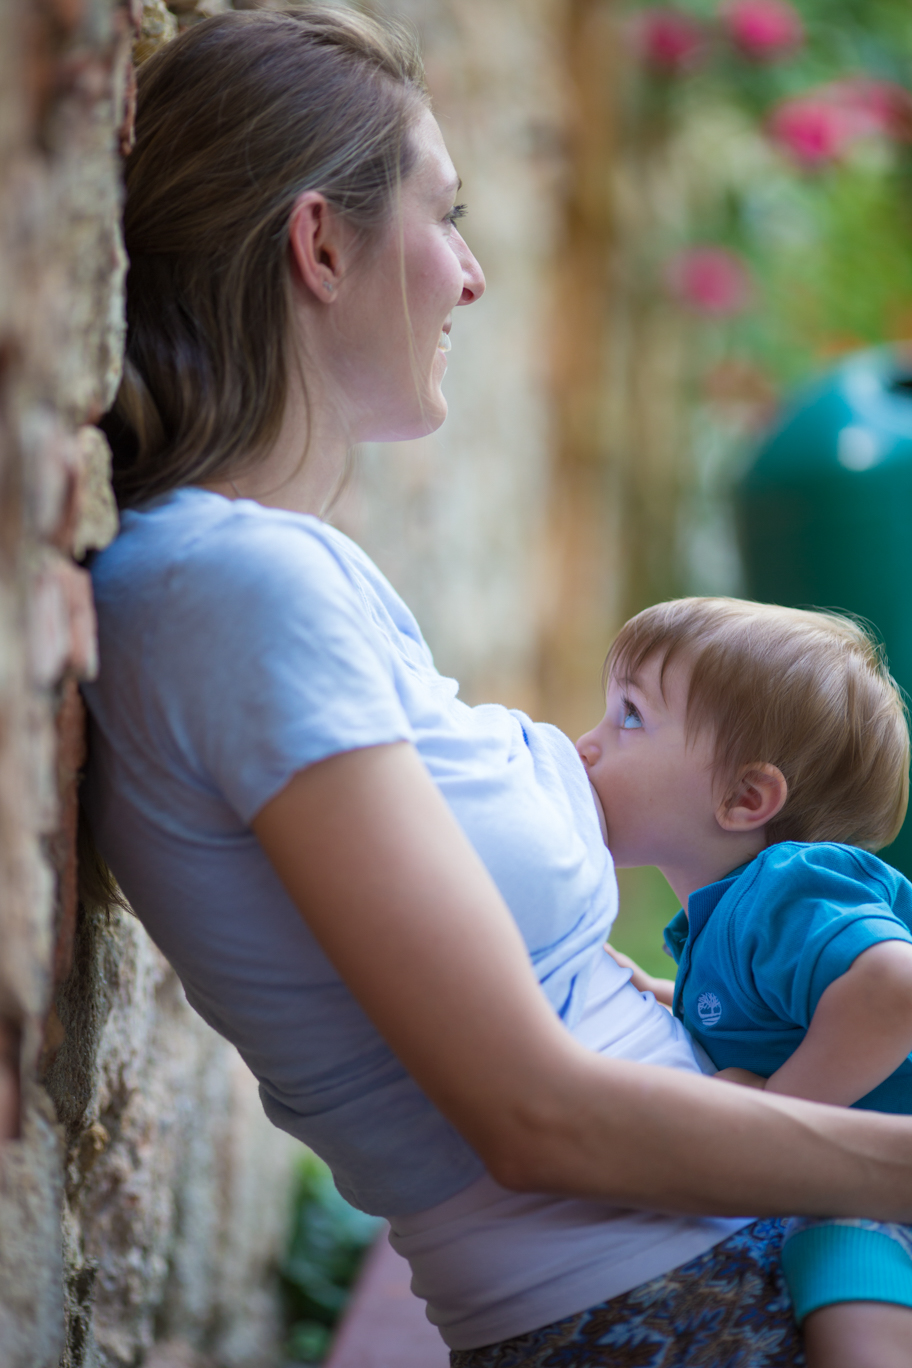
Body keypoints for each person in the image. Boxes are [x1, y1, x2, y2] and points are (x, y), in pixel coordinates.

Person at [82, 10, 912, 1366]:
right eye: (443, 215)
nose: (470, 276)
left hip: (721, 1258)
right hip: (663, 1307)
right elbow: (534, 1119)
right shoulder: (236, 595)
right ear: (322, 244)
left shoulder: (289, 580)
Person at [579, 597, 912, 1368]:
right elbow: (767, 1018)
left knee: (849, 1324)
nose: (587, 747)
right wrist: (655, 991)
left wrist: (774, 1116)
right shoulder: (728, 918)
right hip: (868, 1183)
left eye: (628, 717)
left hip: (880, 1195)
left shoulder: (785, 887)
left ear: (745, 799)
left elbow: (894, 988)